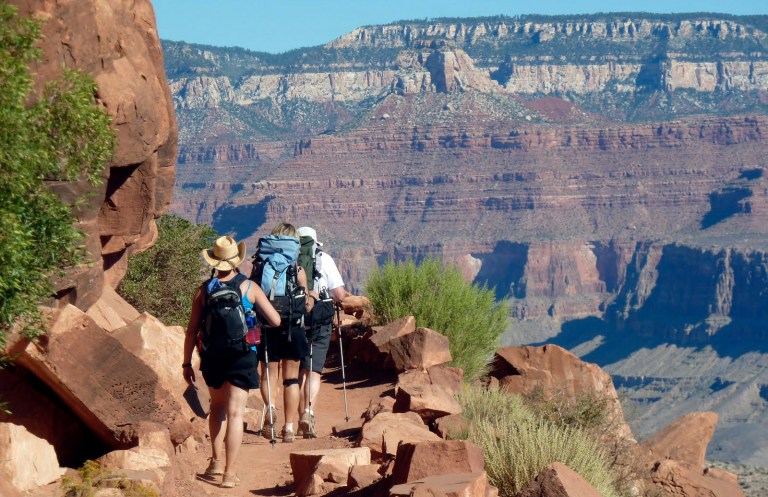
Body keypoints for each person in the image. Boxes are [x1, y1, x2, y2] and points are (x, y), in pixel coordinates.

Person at [182, 235, 281, 488]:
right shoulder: (249, 287)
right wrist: (255, 322)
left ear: (214, 261)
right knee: (236, 413)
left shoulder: (204, 290)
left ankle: (215, 462)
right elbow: (276, 320)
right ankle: (229, 472)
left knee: (217, 408)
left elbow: (192, 331)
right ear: (236, 260)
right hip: (242, 355)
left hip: (213, 357)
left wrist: (186, 363)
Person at [257, 223, 314, 443]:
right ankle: (289, 428)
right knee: (291, 379)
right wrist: (307, 293)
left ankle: (270, 407)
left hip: (267, 325)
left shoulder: (262, 265)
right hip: (293, 327)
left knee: (268, 374)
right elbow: (307, 305)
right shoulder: (297, 269)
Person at [297, 226, 351, 438]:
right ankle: (308, 412)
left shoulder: (290, 259)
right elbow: (338, 294)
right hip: (320, 316)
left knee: (301, 368)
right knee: (313, 370)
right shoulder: (324, 258)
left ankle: (296, 416)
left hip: (295, 315)